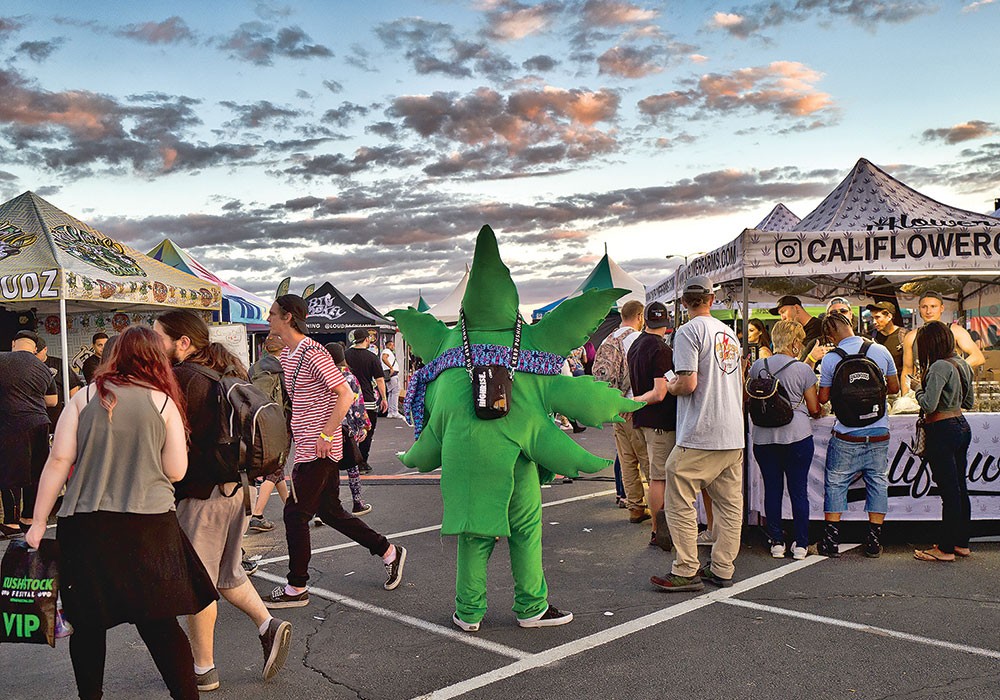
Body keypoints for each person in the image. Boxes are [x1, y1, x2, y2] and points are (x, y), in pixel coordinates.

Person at [26, 325, 217, 700]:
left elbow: (58, 460)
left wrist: (36, 523)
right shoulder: (163, 402)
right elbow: (176, 471)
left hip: (85, 526)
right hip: (149, 527)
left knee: (88, 624)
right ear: (154, 358)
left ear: (112, 357)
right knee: (161, 624)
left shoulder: (83, 398)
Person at [154, 310, 292, 692]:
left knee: (198, 585)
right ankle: (269, 626)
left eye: (159, 337)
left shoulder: (183, 379)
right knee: (228, 573)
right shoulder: (229, 368)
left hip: (203, 496)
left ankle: (204, 669)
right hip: (239, 490)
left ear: (183, 343)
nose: (154, 344)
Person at [264, 295, 406, 608]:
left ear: (288, 317)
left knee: (295, 513)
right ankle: (388, 551)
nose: (268, 318)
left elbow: (344, 393)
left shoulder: (314, 352)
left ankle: (296, 587)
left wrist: (327, 433)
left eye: (273, 313)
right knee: (330, 512)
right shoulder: (288, 355)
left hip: (320, 447)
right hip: (306, 445)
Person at [653, 276, 744, 592]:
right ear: (712, 300)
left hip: (702, 429)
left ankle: (686, 568)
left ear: (682, 303)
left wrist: (671, 386)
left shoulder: (687, 332)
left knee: (677, 490)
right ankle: (721, 568)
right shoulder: (729, 333)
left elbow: (688, 383)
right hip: (732, 431)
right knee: (729, 505)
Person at [817, 312, 900, 559]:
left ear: (830, 336)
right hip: (878, 430)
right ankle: (874, 540)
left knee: (836, 482)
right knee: (877, 482)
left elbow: (822, 398)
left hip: (846, 433)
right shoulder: (880, 351)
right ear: (850, 326)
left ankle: (831, 540)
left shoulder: (832, 358)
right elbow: (894, 388)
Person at [748, 320, 823, 560]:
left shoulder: (757, 366)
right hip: (797, 436)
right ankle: (800, 545)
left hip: (763, 437)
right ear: (795, 343)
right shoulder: (803, 370)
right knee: (798, 490)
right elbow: (813, 408)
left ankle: (776, 542)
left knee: (772, 490)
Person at [911, 321, 975, 562]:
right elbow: (968, 403)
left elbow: (928, 404)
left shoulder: (938, 366)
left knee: (949, 492)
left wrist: (917, 388)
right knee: (960, 487)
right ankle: (961, 543)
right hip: (961, 425)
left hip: (941, 428)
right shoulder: (962, 364)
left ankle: (945, 549)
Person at [627, 301, 676, 549]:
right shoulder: (661, 350)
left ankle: (659, 530)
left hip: (644, 422)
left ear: (645, 320)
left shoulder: (636, 345)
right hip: (660, 422)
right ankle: (659, 531)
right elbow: (659, 393)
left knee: (656, 477)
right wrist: (636, 401)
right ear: (666, 323)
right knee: (659, 478)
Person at [594, 300, 648, 523]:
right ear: (640, 316)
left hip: (615, 406)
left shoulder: (609, 339)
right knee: (647, 460)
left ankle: (635, 507)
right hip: (633, 406)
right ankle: (657, 512)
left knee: (626, 460)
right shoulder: (636, 339)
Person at [0, 331, 56, 537]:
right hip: (40, 424)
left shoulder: (2, 359)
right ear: (34, 349)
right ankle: (29, 518)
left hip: (11, 424)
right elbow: (52, 401)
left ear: (13, 343)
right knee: (35, 474)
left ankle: (11, 523)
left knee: (10, 472)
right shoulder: (44, 368)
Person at [246, 334, 291, 531]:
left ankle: (292, 507)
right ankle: (257, 514)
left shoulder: (254, 367)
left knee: (277, 467)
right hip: (278, 425)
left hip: (256, 423)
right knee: (276, 467)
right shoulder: (284, 369)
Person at [902, 291, 984, 394]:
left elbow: (978, 357)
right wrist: (904, 398)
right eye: (924, 307)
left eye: (933, 306)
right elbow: (907, 370)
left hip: (950, 391)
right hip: (924, 392)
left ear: (942, 308)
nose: (928, 311)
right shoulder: (911, 337)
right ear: (919, 309)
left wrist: (952, 369)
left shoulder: (955, 331)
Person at [325, 341, 373, 515]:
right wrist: (364, 426)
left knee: (328, 469)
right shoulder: (349, 377)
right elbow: (357, 404)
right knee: (352, 466)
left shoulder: (323, 376)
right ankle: (357, 503)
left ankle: (325, 508)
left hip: (326, 428)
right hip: (347, 429)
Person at [345, 328, 388, 469]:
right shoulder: (372, 357)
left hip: (347, 399)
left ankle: (349, 460)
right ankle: (362, 462)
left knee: (346, 431)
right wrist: (384, 398)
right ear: (366, 340)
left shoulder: (346, 355)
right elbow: (380, 380)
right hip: (367, 399)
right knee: (367, 431)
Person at [30, 332, 83, 429]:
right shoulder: (27, 365)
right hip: (34, 413)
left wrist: (72, 410)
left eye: (37, 353)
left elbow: (73, 386)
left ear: (45, 349)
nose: (34, 357)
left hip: (57, 414)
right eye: (32, 354)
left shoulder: (58, 363)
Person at [770, 295, 826, 369]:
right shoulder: (794, 332)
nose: (782, 317)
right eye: (780, 314)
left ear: (796, 308)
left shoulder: (819, 327)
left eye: (783, 312)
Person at [866, 301, 904, 377]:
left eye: (877, 317)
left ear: (889, 316)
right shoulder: (870, 336)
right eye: (872, 318)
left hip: (898, 384)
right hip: (876, 385)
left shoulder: (904, 336)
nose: (874, 322)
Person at [381, 339, 402, 418]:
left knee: (391, 393)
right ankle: (395, 411)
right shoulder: (387, 351)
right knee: (395, 392)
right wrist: (391, 368)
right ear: (388, 345)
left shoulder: (387, 351)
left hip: (390, 374)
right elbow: (384, 358)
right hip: (392, 374)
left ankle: (390, 411)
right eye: (392, 345)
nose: (393, 347)